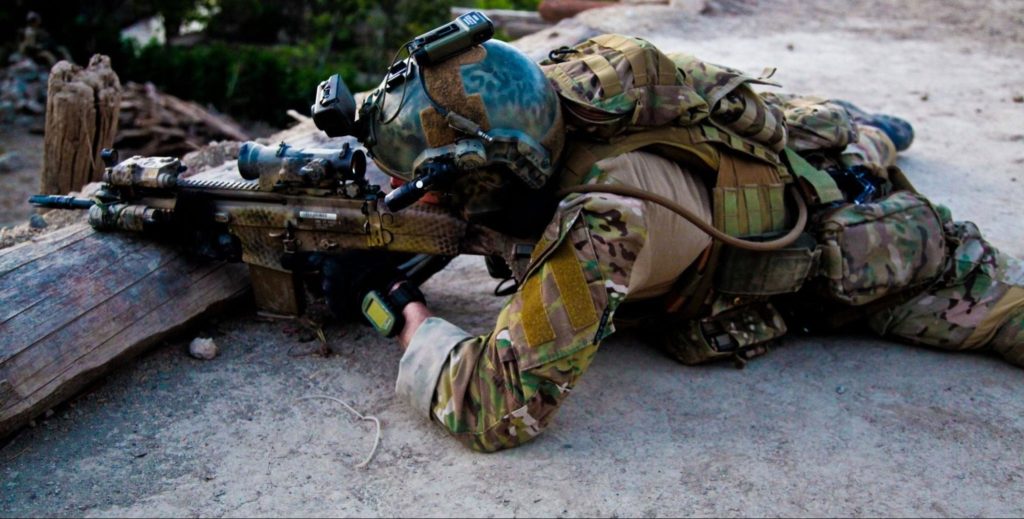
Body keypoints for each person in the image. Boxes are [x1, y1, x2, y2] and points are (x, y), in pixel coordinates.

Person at [352, 35, 1024, 452]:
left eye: (415, 184)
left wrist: (405, 316)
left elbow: (496, 407)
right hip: (764, 155)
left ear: (490, 172)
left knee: (997, 308)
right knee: (831, 133)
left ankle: (866, 136)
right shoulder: (543, 96)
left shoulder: (604, 221)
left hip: (849, 237)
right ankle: (863, 128)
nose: (399, 188)